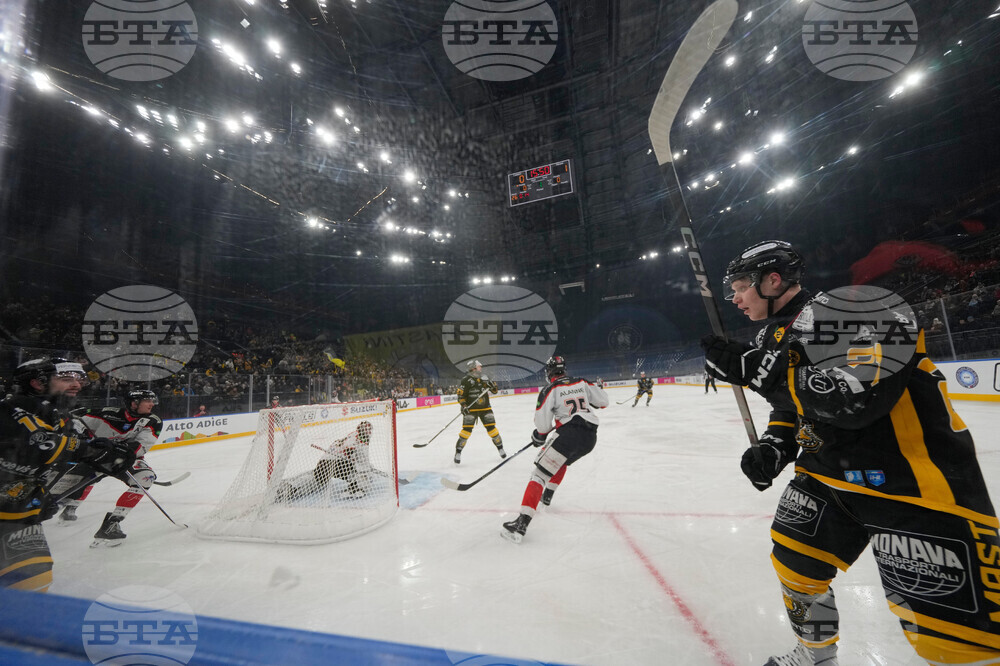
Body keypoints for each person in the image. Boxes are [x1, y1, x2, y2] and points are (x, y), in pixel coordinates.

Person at [701, 240, 1000, 665]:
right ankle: (815, 655)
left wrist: (761, 373)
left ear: (773, 280)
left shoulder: (859, 309)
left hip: (910, 481)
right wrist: (775, 445)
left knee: (956, 640)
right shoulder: (773, 334)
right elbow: (790, 405)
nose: (733, 297)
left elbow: (857, 400)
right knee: (795, 566)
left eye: (740, 285)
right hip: (826, 475)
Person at [0, 358, 136, 590]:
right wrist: (90, 451)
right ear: (36, 383)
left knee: (31, 581)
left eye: (79, 378)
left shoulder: (58, 415)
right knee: (27, 585)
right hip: (10, 510)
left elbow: (62, 451)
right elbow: (37, 445)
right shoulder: (12, 408)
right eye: (66, 378)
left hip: (16, 512)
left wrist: (100, 451)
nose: (77, 384)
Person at [501, 356, 608, 544]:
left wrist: (539, 435)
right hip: (590, 438)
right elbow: (603, 402)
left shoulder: (550, 389)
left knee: (539, 475)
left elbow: (542, 425)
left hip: (569, 434)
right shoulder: (581, 382)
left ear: (548, 372)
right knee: (562, 461)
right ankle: (547, 497)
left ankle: (521, 525)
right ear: (564, 369)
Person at [59, 390, 164, 548]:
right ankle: (64, 507)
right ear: (134, 403)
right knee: (64, 486)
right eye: (147, 401)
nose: (152, 404)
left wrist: (119, 453)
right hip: (95, 457)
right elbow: (74, 420)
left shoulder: (153, 421)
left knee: (145, 477)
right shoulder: (106, 414)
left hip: (123, 460)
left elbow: (142, 446)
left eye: (152, 400)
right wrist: (75, 430)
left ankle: (112, 525)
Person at [275, 421, 375, 500]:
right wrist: (366, 468)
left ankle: (293, 487)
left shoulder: (352, 435)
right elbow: (360, 461)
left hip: (324, 461)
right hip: (337, 464)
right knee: (360, 473)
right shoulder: (360, 442)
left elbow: (342, 447)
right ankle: (356, 488)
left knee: (318, 479)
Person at [454, 360, 505, 464]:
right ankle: (458, 452)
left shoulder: (485, 378)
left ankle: (500, 448)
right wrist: (464, 406)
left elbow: (494, 391)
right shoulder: (466, 380)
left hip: (485, 408)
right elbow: (460, 396)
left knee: (492, 429)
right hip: (471, 410)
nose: (481, 368)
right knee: (466, 432)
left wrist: (492, 385)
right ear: (473, 368)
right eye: (479, 366)